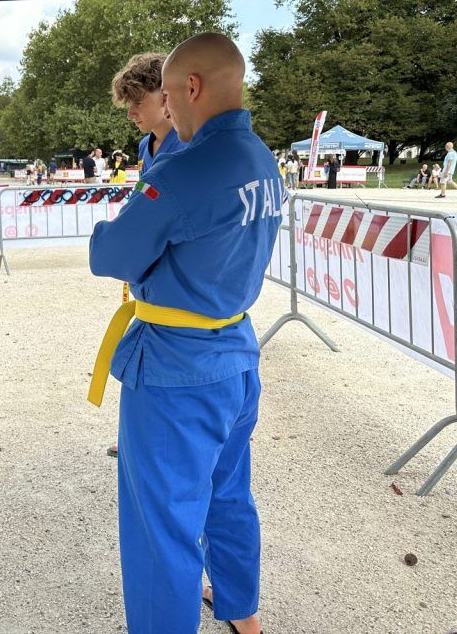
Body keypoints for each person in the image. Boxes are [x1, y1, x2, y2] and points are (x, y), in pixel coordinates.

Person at [90, 33, 276, 634]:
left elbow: (113, 253)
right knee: (227, 498)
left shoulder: (187, 169)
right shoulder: (263, 159)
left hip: (177, 369)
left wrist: (109, 232)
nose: (164, 110)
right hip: (236, 354)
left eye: (167, 95)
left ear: (189, 88)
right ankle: (241, 613)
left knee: (160, 526)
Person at [105, 50, 190, 457]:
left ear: (165, 95)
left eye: (138, 102)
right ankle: (139, 437)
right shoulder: (146, 145)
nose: (131, 113)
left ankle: (154, 443)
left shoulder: (190, 144)